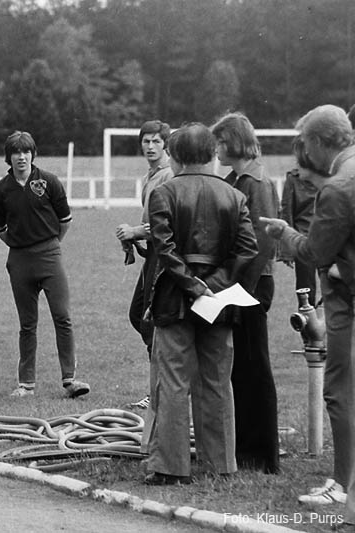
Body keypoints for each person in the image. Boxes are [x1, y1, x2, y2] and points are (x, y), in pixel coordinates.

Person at [142, 123, 258, 485]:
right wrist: (213, 286)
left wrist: (194, 286)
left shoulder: (164, 193)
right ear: (211, 154)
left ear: (175, 155)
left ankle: (171, 467)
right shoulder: (233, 195)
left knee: (173, 382)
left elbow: (164, 248)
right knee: (217, 381)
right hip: (220, 302)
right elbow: (248, 250)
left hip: (175, 300)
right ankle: (221, 463)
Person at [260, 104, 355, 512]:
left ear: (317, 142)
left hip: (346, 302)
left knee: (340, 391)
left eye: (305, 143)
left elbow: (315, 252)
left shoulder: (337, 188)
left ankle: (343, 483)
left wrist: (285, 234)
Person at [0, 130, 90, 398]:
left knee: (62, 317)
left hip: (50, 255)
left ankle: (70, 380)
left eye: (26, 151)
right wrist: (20, 245)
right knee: (27, 324)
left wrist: (50, 244)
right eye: (16, 152)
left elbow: (65, 220)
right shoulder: (0, 190)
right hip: (19, 260)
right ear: (8, 157)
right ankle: (26, 384)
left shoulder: (49, 181)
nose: (21, 157)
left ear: (33, 154)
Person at [211, 112, 280, 475]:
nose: (217, 149)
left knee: (255, 367)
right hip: (237, 285)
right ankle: (244, 445)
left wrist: (241, 290)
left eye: (221, 142)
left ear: (235, 142)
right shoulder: (235, 179)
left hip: (251, 284)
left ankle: (264, 454)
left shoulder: (257, 182)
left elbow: (263, 242)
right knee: (240, 367)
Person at [115, 120, 173, 410]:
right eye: (146, 141)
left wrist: (136, 232)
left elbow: (166, 223)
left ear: (166, 144)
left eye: (156, 141)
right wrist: (136, 241)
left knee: (149, 320)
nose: (150, 147)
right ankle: (162, 385)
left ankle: (161, 390)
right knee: (139, 316)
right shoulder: (151, 175)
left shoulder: (168, 175)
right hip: (153, 255)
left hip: (164, 258)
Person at [280, 140, 325, 308]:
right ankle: (307, 320)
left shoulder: (329, 178)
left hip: (328, 240)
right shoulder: (293, 179)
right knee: (305, 289)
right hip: (302, 241)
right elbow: (287, 211)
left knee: (334, 286)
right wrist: (287, 250)